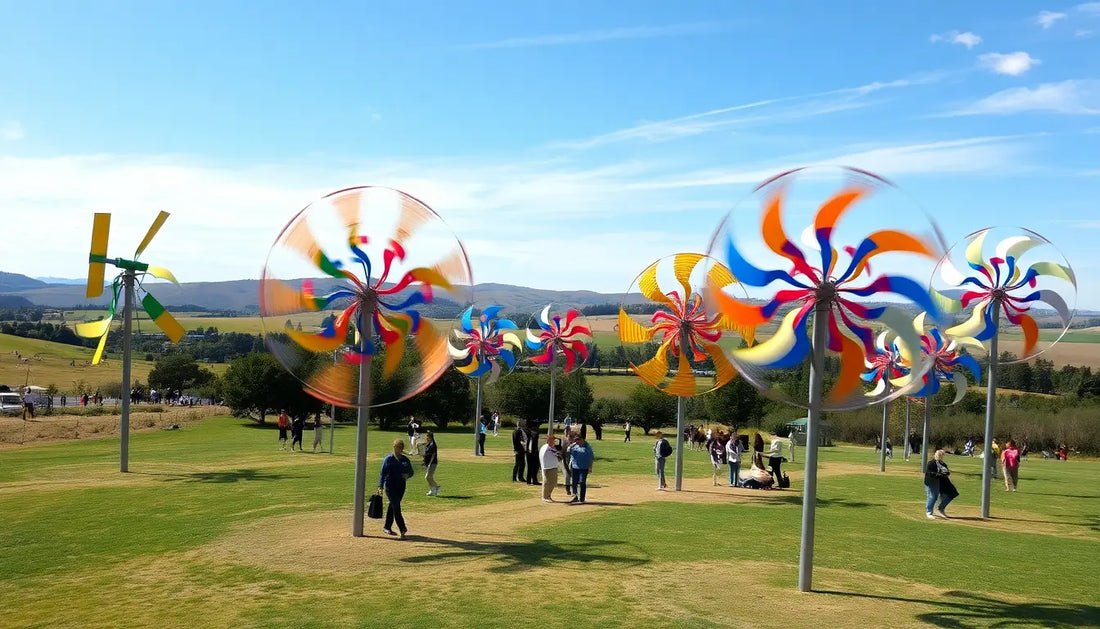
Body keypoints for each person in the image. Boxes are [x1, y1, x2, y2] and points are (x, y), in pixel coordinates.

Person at [377, 439, 415, 538]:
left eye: (401, 448)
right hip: (390, 486)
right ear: (394, 447)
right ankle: (402, 528)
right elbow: (382, 474)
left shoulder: (405, 460)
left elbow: (411, 472)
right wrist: (380, 486)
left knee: (393, 506)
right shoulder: (388, 459)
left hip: (401, 486)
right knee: (396, 507)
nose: (399, 449)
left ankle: (387, 527)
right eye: (397, 447)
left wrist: (407, 475)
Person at [924, 449, 958, 519]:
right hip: (932, 482)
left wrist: (946, 474)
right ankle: (929, 511)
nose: (939, 456)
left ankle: (941, 508)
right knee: (933, 496)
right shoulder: (931, 463)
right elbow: (930, 473)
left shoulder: (943, 464)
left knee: (952, 493)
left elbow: (947, 472)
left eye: (941, 455)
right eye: (938, 454)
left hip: (943, 482)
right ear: (935, 455)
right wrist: (939, 474)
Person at [569, 434, 594, 503]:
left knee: (582, 482)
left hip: (584, 468)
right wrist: (570, 448)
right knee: (574, 482)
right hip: (575, 467)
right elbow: (571, 455)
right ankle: (575, 496)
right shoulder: (574, 447)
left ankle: (582, 498)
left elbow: (591, 458)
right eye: (575, 440)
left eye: (578, 440)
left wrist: (590, 467)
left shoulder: (588, 447)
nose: (576, 441)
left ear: (582, 439)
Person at [539, 435, 561, 502]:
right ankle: (545, 497)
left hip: (551, 466)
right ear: (549, 440)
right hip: (549, 467)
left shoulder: (545, 447)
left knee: (552, 483)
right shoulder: (549, 448)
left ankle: (548, 496)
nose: (554, 442)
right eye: (553, 440)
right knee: (548, 482)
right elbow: (559, 456)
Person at [423, 431, 441, 496]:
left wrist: (430, 464)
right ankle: (432, 490)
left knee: (427, 477)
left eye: (427, 436)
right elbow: (427, 453)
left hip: (432, 463)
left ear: (430, 436)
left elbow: (434, 455)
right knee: (430, 478)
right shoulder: (429, 443)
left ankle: (436, 487)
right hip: (428, 463)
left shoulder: (433, 444)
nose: (426, 437)